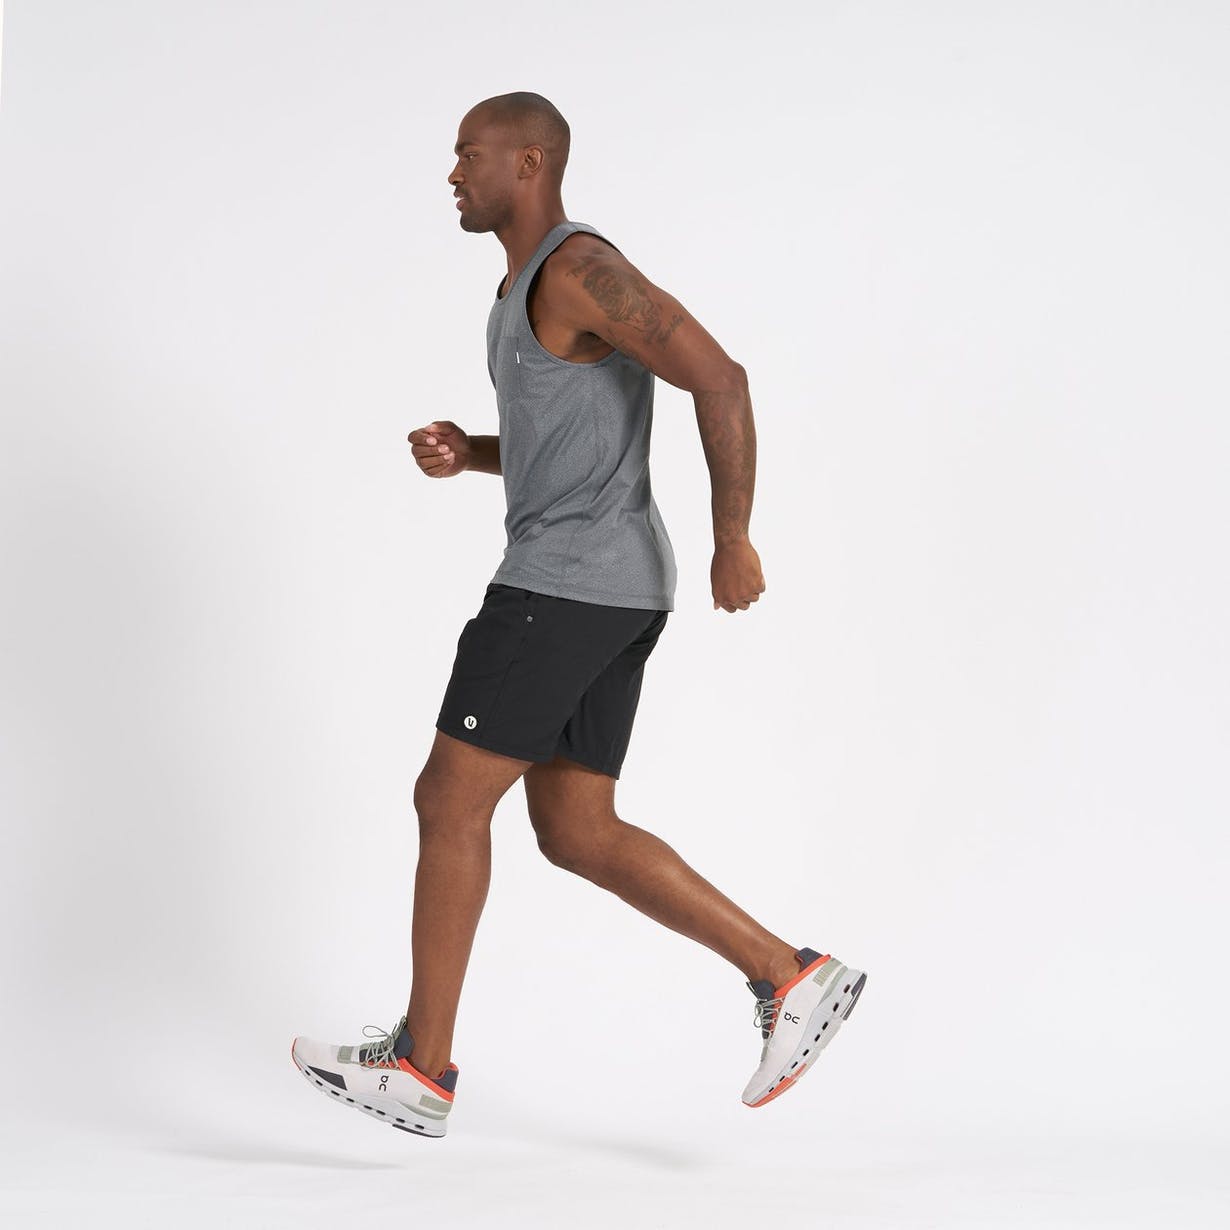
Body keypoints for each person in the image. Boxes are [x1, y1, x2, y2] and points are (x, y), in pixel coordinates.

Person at [292, 92, 866, 1139]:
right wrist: (473, 452)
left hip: (562, 588)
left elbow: (720, 377)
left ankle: (421, 1066)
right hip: (610, 588)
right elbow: (571, 438)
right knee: (576, 830)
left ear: (530, 161)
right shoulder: (521, 289)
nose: (453, 174)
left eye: (468, 154)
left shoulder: (577, 268)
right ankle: (790, 976)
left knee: (447, 799)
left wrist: (733, 535)